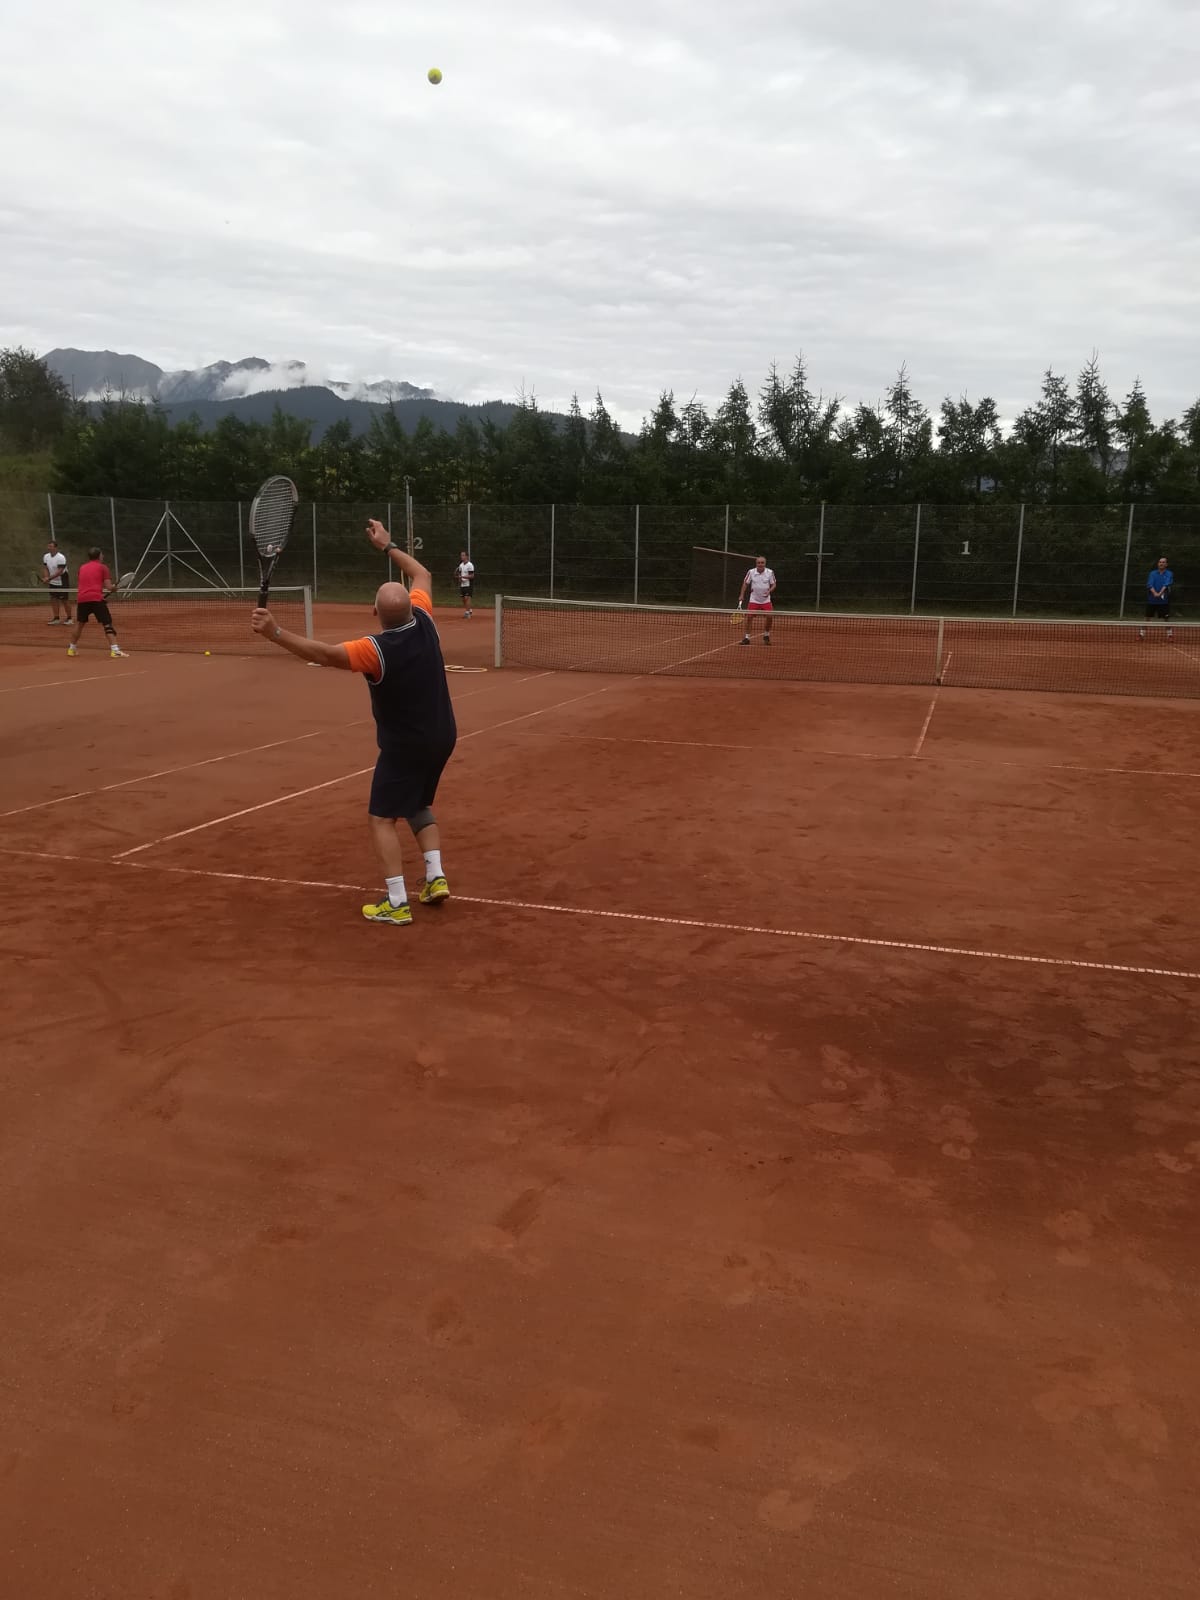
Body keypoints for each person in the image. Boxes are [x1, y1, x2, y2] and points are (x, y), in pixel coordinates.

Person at [251, 519, 456, 927]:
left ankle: (396, 902)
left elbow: (324, 655)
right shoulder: (425, 621)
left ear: (375, 612)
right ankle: (435, 877)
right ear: (412, 606)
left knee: (381, 817)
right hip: (443, 736)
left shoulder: (375, 650)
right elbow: (422, 573)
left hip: (404, 746)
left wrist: (275, 632)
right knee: (416, 803)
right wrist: (387, 546)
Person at [66, 548, 128, 658]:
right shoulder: (103, 567)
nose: (103, 556)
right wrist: (115, 588)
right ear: (99, 556)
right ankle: (115, 650)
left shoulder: (82, 567)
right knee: (107, 623)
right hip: (96, 599)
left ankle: (71, 649)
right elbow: (109, 587)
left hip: (82, 598)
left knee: (79, 624)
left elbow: (87, 583)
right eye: (102, 554)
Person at [737, 555, 777, 645]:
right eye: (758, 563)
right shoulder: (751, 572)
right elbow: (745, 583)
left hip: (766, 600)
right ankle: (747, 638)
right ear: (756, 564)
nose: (760, 564)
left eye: (762, 563)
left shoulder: (770, 572)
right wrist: (741, 594)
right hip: (754, 600)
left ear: (765, 564)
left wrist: (769, 591)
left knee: (770, 617)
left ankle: (766, 635)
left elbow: (774, 584)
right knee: (749, 617)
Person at [1140, 557, 1174, 641]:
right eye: (1160, 562)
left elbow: (1166, 584)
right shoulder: (1152, 573)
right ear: (1158, 564)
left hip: (1164, 600)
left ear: (1166, 564)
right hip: (1152, 599)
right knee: (1147, 617)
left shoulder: (1169, 573)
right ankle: (1141, 635)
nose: (1161, 563)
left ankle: (1170, 635)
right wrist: (1155, 593)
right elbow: (1150, 584)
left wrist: (1160, 593)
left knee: (1166, 618)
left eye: (1163, 562)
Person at [40, 539, 72, 625]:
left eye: (51, 546)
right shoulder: (46, 556)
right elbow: (45, 568)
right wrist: (46, 577)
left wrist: (48, 578)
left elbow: (60, 572)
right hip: (52, 581)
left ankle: (69, 618)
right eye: (48, 546)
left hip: (62, 580)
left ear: (56, 548)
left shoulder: (61, 557)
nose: (49, 548)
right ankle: (56, 618)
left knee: (64, 600)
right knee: (53, 599)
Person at [455, 550, 475, 619]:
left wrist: (462, 577)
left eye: (463, 555)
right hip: (462, 584)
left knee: (467, 598)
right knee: (463, 599)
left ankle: (467, 613)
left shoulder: (470, 565)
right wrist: (460, 579)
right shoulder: (460, 565)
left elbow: (472, 576)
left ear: (467, 556)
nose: (461, 556)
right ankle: (469, 609)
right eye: (461, 555)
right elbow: (459, 574)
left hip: (469, 584)